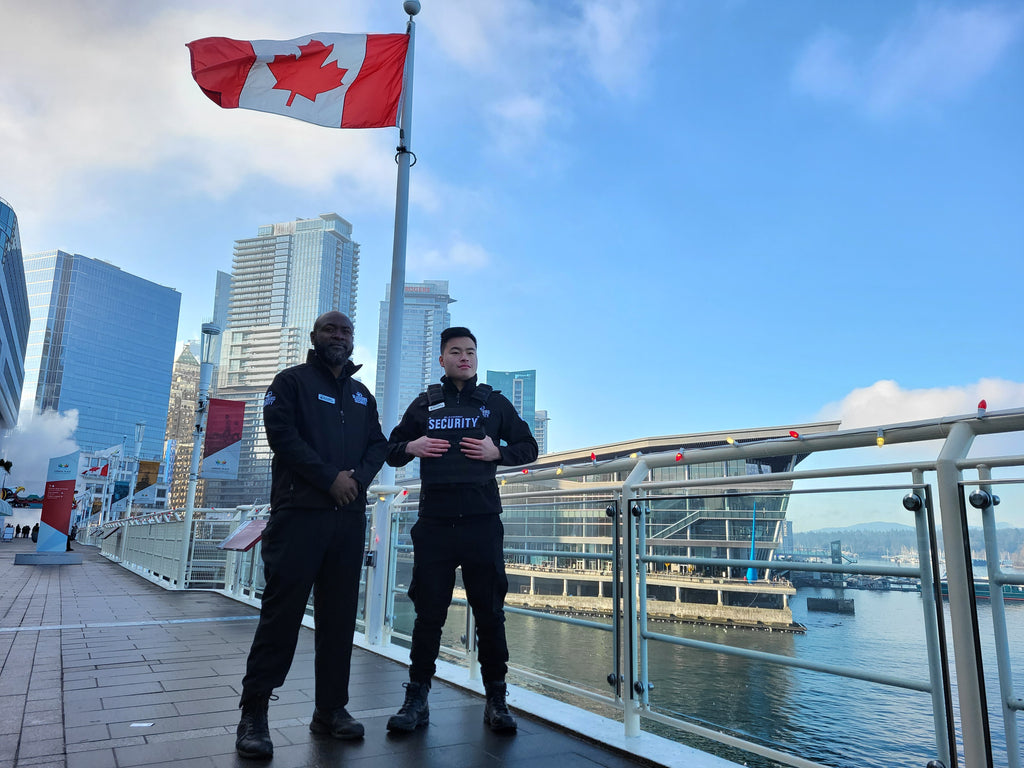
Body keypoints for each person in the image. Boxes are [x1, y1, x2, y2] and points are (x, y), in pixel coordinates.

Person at [235, 311, 387, 760]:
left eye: (346, 331)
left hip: (348, 517)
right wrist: (328, 479)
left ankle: (331, 710)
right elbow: (282, 437)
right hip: (299, 514)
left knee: (339, 618)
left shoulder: (362, 395)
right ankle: (254, 712)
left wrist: (355, 479)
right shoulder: (290, 383)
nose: (339, 336)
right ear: (314, 336)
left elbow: (377, 444)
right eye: (330, 330)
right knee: (281, 615)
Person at [384, 327, 538, 734]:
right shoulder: (425, 404)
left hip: (481, 523)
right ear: (442, 359)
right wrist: (412, 447)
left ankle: (497, 699)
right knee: (428, 615)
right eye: (456, 351)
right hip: (434, 524)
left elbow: (529, 447)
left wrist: (497, 452)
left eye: (471, 351)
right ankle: (417, 698)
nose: (464, 357)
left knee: (490, 613)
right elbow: (391, 449)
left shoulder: (493, 403)